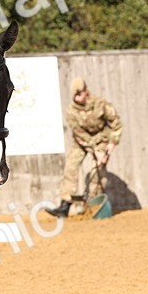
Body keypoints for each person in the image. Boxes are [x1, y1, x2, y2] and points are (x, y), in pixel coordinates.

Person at [46, 77, 123, 217]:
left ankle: (93, 204)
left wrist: (112, 143)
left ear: (85, 92)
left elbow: (115, 123)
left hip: (101, 139)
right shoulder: (71, 111)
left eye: (79, 94)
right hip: (81, 141)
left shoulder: (101, 104)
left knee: (98, 170)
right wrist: (95, 151)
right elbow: (79, 134)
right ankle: (65, 205)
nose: (76, 98)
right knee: (71, 166)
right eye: (74, 96)